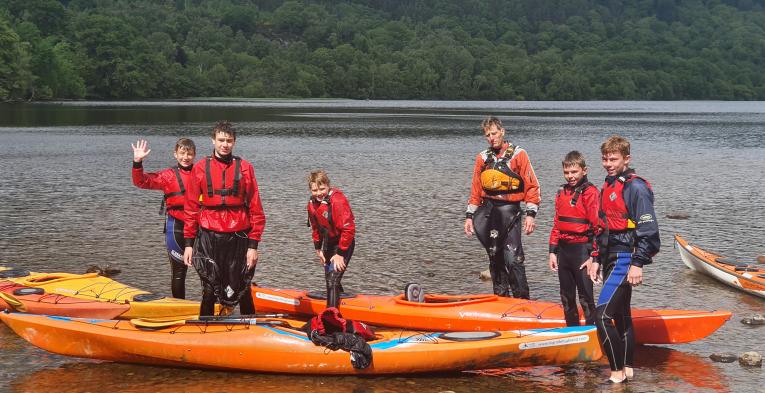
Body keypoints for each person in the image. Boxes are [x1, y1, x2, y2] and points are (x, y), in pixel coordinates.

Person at [593, 135, 660, 384]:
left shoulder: (636, 187)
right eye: (605, 159)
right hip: (611, 254)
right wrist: (597, 259)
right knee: (621, 315)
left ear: (626, 159)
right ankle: (628, 369)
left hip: (625, 257)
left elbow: (650, 232)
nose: (608, 163)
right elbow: (603, 227)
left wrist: (637, 262)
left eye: (614, 159)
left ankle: (616, 374)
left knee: (601, 316)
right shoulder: (609, 184)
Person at [182, 121, 265, 316]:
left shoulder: (245, 167)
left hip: (239, 236)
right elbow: (191, 208)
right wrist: (188, 244)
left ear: (234, 142)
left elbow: (256, 207)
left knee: (243, 287)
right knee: (209, 289)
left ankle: (250, 328)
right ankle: (206, 329)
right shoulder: (201, 167)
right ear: (213, 141)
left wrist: (253, 246)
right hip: (209, 236)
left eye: (229, 141)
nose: (224, 144)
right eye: (221, 140)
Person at [464, 116, 540, 299]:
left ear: (502, 132)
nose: (491, 137)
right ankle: (501, 301)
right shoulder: (482, 158)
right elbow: (476, 190)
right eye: (488, 135)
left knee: (514, 260)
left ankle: (523, 303)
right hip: (488, 213)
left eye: (494, 133)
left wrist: (531, 214)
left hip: (510, 212)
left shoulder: (518, 154)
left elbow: (532, 186)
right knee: (495, 258)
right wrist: (469, 216)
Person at [131, 138, 196, 299]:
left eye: (189, 153)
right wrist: (137, 162)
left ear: (194, 155)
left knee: (207, 270)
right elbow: (141, 181)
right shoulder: (167, 176)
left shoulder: (201, 173)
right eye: (182, 153)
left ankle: (210, 308)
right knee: (179, 272)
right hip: (176, 227)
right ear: (175, 154)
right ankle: (179, 307)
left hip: (198, 226)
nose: (185, 157)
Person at [548, 151, 601, 326]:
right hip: (564, 251)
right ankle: (571, 332)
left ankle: (594, 332)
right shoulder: (561, 192)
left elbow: (597, 228)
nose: (570, 176)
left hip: (582, 251)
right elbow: (557, 224)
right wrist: (553, 251)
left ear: (584, 170)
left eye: (574, 172)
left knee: (586, 298)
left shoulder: (590, 193)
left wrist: (594, 257)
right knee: (566, 297)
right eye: (567, 172)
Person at [306, 170, 356, 309]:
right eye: (314, 190)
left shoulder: (338, 201)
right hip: (328, 244)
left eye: (322, 189)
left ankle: (331, 317)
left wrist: (340, 254)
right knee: (331, 278)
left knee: (332, 280)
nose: (319, 193)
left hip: (343, 243)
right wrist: (318, 248)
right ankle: (343, 309)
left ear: (328, 186)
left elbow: (349, 229)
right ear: (310, 189)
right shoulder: (311, 204)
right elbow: (316, 228)